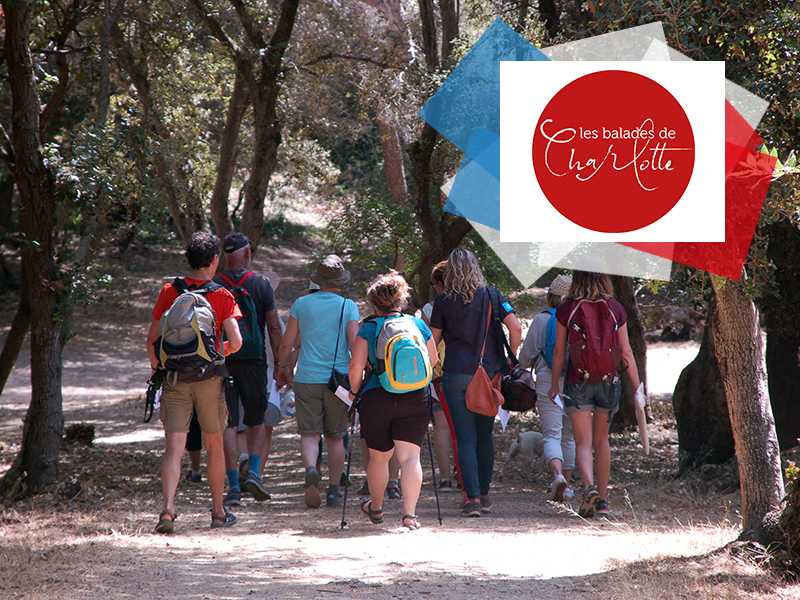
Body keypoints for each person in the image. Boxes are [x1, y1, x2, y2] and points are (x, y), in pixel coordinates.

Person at [146, 232, 242, 533]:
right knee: (215, 445)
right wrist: (215, 354)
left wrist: (161, 368)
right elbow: (236, 342)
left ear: (188, 259)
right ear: (215, 260)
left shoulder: (169, 291)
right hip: (209, 379)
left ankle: (167, 511)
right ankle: (217, 512)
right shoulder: (222, 295)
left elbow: (152, 341)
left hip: (175, 378)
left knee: (174, 445)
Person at [429, 248, 522, 517]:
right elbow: (515, 327)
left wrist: (430, 367)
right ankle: (484, 494)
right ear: (475, 266)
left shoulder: (443, 301)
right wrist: (511, 358)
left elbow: (432, 343)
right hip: (489, 375)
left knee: (465, 438)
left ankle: (470, 500)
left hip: (456, 374)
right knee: (484, 436)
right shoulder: (492, 295)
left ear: (450, 272)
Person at [547, 255, 641, 518]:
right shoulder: (616, 308)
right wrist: (637, 387)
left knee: (583, 441)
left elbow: (558, 352)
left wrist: (555, 383)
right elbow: (626, 352)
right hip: (609, 381)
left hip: (578, 380)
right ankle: (603, 500)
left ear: (578, 276)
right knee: (602, 441)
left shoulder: (567, 308)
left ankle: (588, 487)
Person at [348, 272, 438, 529]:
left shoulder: (369, 327)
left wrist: (355, 393)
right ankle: (409, 515)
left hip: (377, 397)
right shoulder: (418, 325)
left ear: (374, 303)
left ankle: (375, 509)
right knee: (410, 457)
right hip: (415, 397)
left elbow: (356, 367)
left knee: (379, 458)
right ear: (401, 298)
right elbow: (431, 361)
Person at [277, 254, 359, 508]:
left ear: (318, 280)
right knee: (336, 436)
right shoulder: (348, 306)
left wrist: (282, 367)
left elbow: (288, 342)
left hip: (307, 377)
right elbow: (355, 344)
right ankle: (334, 491)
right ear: (340, 282)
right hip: (338, 380)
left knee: (310, 434)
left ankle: (312, 468)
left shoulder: (302, 304)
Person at [213, 232, 283, 506]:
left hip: (223, 361)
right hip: (254, 361)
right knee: (256, 420)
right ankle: (253, 471)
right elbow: (274, 326)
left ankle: (232, 485)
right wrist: (280, 364)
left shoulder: (215, 284)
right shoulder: (261, 284)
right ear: (246, 254)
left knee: (229, 424)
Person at [518, 274, 576, 502]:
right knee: (569, 435)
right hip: (575, 380)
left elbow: (524, 359)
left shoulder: (542, 320)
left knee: (552, 434)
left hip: (547, 379)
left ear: (551, 295)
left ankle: (558, 476)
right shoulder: (578, 318)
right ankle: (568, 486)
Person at [420, 260, 458, 493]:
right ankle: (465, 475)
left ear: (438, 283)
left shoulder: (428, 309)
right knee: (464, 426)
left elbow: (427, 344)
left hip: (438, 376)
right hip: (466, 371)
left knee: (441, 427)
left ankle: (445, 479)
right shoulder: (470, 303)